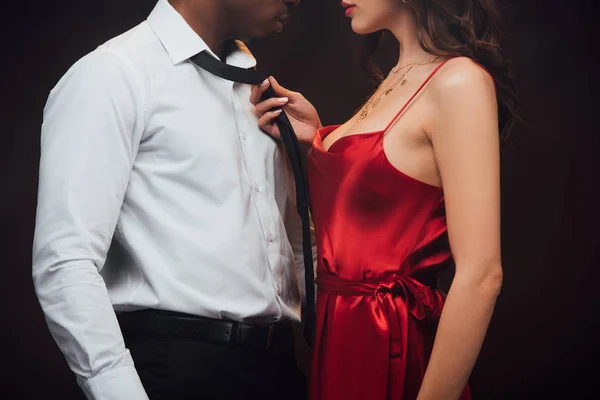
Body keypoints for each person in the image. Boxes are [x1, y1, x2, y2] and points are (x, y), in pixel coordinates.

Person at [31, 0, 311, 399]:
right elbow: (65, 261)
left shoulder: (254, 89)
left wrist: (316, 160)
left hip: (277, 369)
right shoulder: (115, 73)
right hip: (178, 371)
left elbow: (294, 257)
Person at [252, 0, 519, 399]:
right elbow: (365, 221)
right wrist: (315, 142)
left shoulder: (458, 82)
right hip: (341, 339)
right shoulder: (399, 76)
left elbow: (481, 276)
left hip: (390, 342)